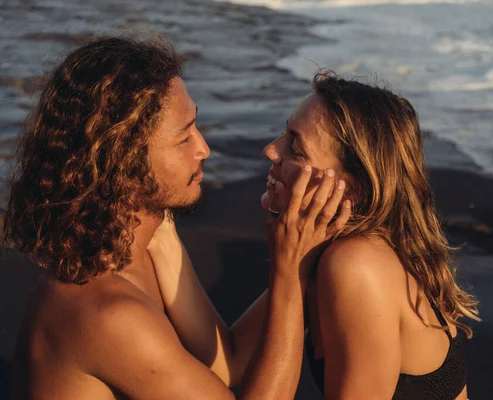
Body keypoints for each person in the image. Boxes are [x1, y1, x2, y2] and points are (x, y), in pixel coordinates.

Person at [1, 36, 351, 399]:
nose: (204, 149)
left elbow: (228, 362)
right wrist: (289, 271)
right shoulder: (106, 311)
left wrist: (303, 262)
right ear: (122, 161)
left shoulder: (137, 243)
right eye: (184, 137)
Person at [156, 71, 480, 399]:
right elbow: (232, 359)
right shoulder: (327, 247)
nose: (271, 150)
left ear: (349, 189)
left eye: (295, 148)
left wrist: (285, 266)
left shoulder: (356, 264)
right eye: (283, 134)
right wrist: (160, 231)